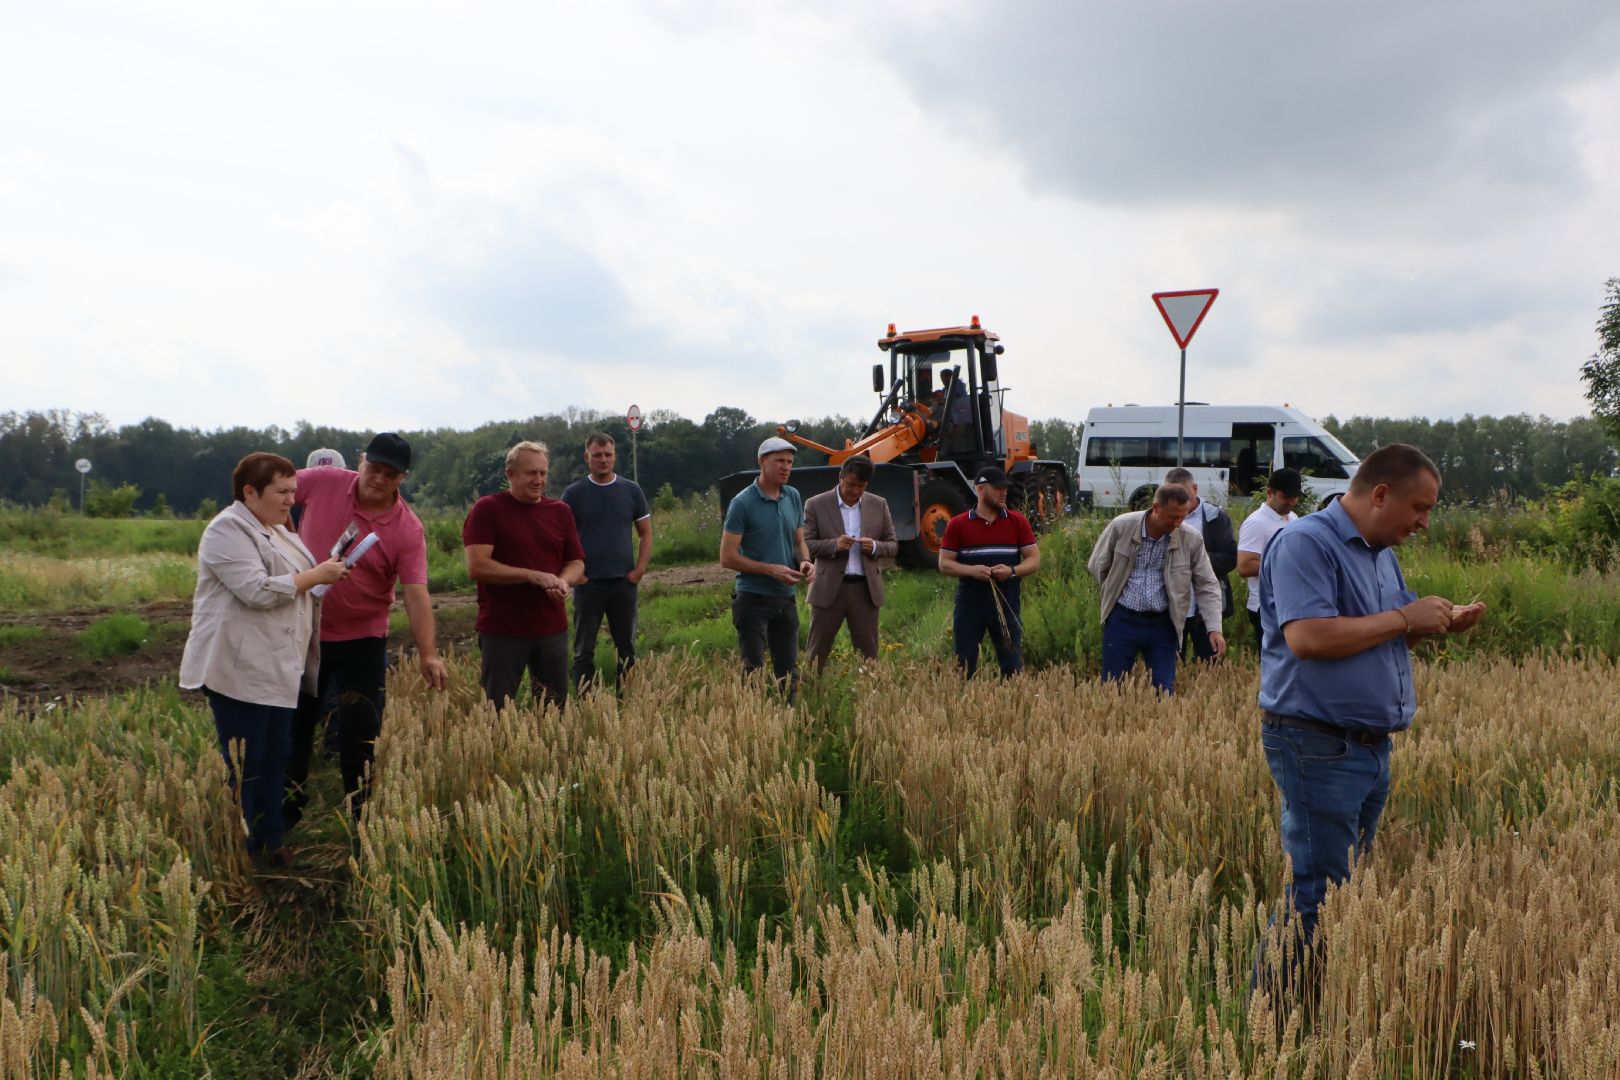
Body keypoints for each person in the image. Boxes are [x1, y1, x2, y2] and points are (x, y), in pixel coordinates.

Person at [1257, 443, 1485, 968]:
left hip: (1364, 748)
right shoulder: (1305, 543)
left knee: (1339, 891)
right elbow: (1309, 637)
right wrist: (1407, 618)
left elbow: (1377, 636)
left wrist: (1433, 625)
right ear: (1380, 494)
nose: (1425, 522)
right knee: (1315, 895)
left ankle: (1311, 1015)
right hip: (1318, 744)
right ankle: (1274, 1027)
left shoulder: (1379, 552)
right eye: (1420, 508)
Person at [179, 453, 348, 863]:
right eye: (281, 491)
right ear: (249, 492)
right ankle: (245, 848)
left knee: (276, 756)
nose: (291, 499)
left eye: (293, 491)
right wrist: (318, 576)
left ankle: (271, 842)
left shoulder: (278, 530)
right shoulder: (227, 529)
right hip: (237, 667)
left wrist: (325, 572)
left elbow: (299, 578)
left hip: (275, 665)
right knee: (248, 762)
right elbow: (256, 590)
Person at [282, 432, 447, 827]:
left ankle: (361, 820)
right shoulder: (324, 483)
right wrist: (285, 537)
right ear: (360, 461)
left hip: (362, 639)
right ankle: (286, 814)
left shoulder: (407, 529)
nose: (379, 478)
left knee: (360, 732)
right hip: (303, 631)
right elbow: (277, 488)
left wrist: (428, 653)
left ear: (402, 478)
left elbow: (416, 594)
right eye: (374, 468)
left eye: (390, 474)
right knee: (294, 726)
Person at [463, 441, 585, 711]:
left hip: (551, 629)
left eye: (543, 473)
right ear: (510, 475)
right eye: (531, 473)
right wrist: (532, 576)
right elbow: (477, 566)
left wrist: (563, 581)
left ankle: (548, 756)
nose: (539, 480)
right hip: (503, 631)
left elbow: (576, 563)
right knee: (496, 712)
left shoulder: (560, 512)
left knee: (554, 713)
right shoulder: (488, 509)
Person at [1087, 484, 1226, 693]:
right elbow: (1098, 565)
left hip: (1164, 625)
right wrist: (1112, 593)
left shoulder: (1192, 538)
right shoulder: (1121, 526)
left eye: (1183, 517)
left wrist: (1214, 627)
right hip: (1122, 621)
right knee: (1112, 689)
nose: (1178, 523)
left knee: (1164, 690)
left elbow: (1207, 584)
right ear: (1155, 508)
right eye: (1173, 517)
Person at [720, 436, 814, 695]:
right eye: (780, 461)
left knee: (788, 675)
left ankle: (788, 726)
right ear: (762, 462)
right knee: (753, 673)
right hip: (753, 599)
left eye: (790, 462)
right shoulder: (742, 503)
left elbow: (798, 541)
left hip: (786, 599)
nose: (786, 467)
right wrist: (771, 569)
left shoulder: (792, 496)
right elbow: (727, 557)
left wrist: (805, 561)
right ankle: (752, 729)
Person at [561, 433, 652, 692]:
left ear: (614, 456)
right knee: (583, 649)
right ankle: (585, 701)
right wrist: (575, 576)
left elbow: (645, 533)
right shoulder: (574, 493)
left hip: (623, 583)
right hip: (588, 584)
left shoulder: (631, 490)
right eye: (597, 455)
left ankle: (627, 702)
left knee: (626, 648)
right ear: (586, 457)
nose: (603, 459)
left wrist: (640, 570)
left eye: (608, 454)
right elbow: (561, 538)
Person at [939, 466, 1040, 677]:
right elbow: (945, 564)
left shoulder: (1017, 521)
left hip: (1006, 605)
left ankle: (1012, 705)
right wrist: (972, 571)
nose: (1004, 492)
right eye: (998, 488)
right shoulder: (958, 524)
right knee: (963, 667)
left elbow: (1034, 560)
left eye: (1005, 488)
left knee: (1012, 666)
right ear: (980, 489)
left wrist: (1012, 571)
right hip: (970, 606)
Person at [801, 456, 898, 669]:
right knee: (816, 654)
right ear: (840, 478)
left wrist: (873, 546)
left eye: (861, 487)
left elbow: (892, 545)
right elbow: (806, 545)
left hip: (865, 591)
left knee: (869, 656)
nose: (855, 491)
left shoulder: (878, 504)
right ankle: (810, 694)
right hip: (827, 591)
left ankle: (869, 699)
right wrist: (834, 545)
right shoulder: (816, 504)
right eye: (851, 485)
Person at [1162, 467, 1237, 661]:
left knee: (1209, 663)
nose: (1178, 502)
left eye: (1183, 495)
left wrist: (1194, 562)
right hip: (1170, 606)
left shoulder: (1215, 517)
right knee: (1170, 663)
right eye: (1171, 496)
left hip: (1204, 606)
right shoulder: (1160, 519)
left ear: (1195, 488)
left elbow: (1230, 558)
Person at [1236, 468, 1302, 649]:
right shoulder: (1257, 522)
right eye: (1286, 496)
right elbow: (1244, 566)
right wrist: (1286, 566)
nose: (1292, 502)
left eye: (1295, 497)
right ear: (1270, 493)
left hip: (1289, 604)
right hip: (1265, 606)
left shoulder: (1293, 518)